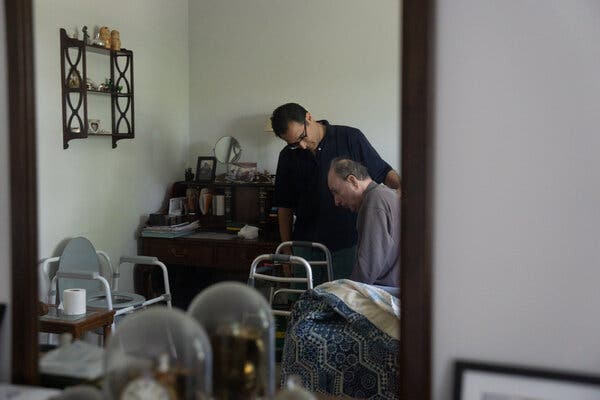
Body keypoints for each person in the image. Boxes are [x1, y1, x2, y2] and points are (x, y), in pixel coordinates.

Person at [271, 102, 401, 283]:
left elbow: (384, 172)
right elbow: (284, 206)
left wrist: (406, 188)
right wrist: (286, 251)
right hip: (305, 246)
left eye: (302, 137)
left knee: (346, 301)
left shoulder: (350, 137)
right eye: (293, 143)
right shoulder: (287, 155)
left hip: (347, 244)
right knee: (305, 305)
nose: (301, 146)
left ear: (309, 117)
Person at [327, 158, 400, 287]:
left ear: (352, 181)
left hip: (386, 293)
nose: (336, 201)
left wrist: (345, 293)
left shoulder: (374, 202)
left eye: (336, 192)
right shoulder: (384, 194)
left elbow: (367, 268)